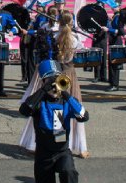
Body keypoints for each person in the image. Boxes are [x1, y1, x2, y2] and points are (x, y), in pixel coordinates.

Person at [19, 58, 89, 183]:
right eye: (50, 81)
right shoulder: (39, 102)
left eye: (56, 80)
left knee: (68, 171)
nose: (53, 86)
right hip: (43, 154)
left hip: (62, 151)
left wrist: (65, 93)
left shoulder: (66, 101)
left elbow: (83, 115)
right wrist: (43, 90)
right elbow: (24, 110)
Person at [20, 12, 89, 158]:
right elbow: (80, 50)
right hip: (69, 74)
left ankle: (41, 143)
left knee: (52, 106)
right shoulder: (74, 38)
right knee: (70, 106)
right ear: (71, 23)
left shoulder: (54, 36)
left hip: (56, 73)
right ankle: (78, 147)